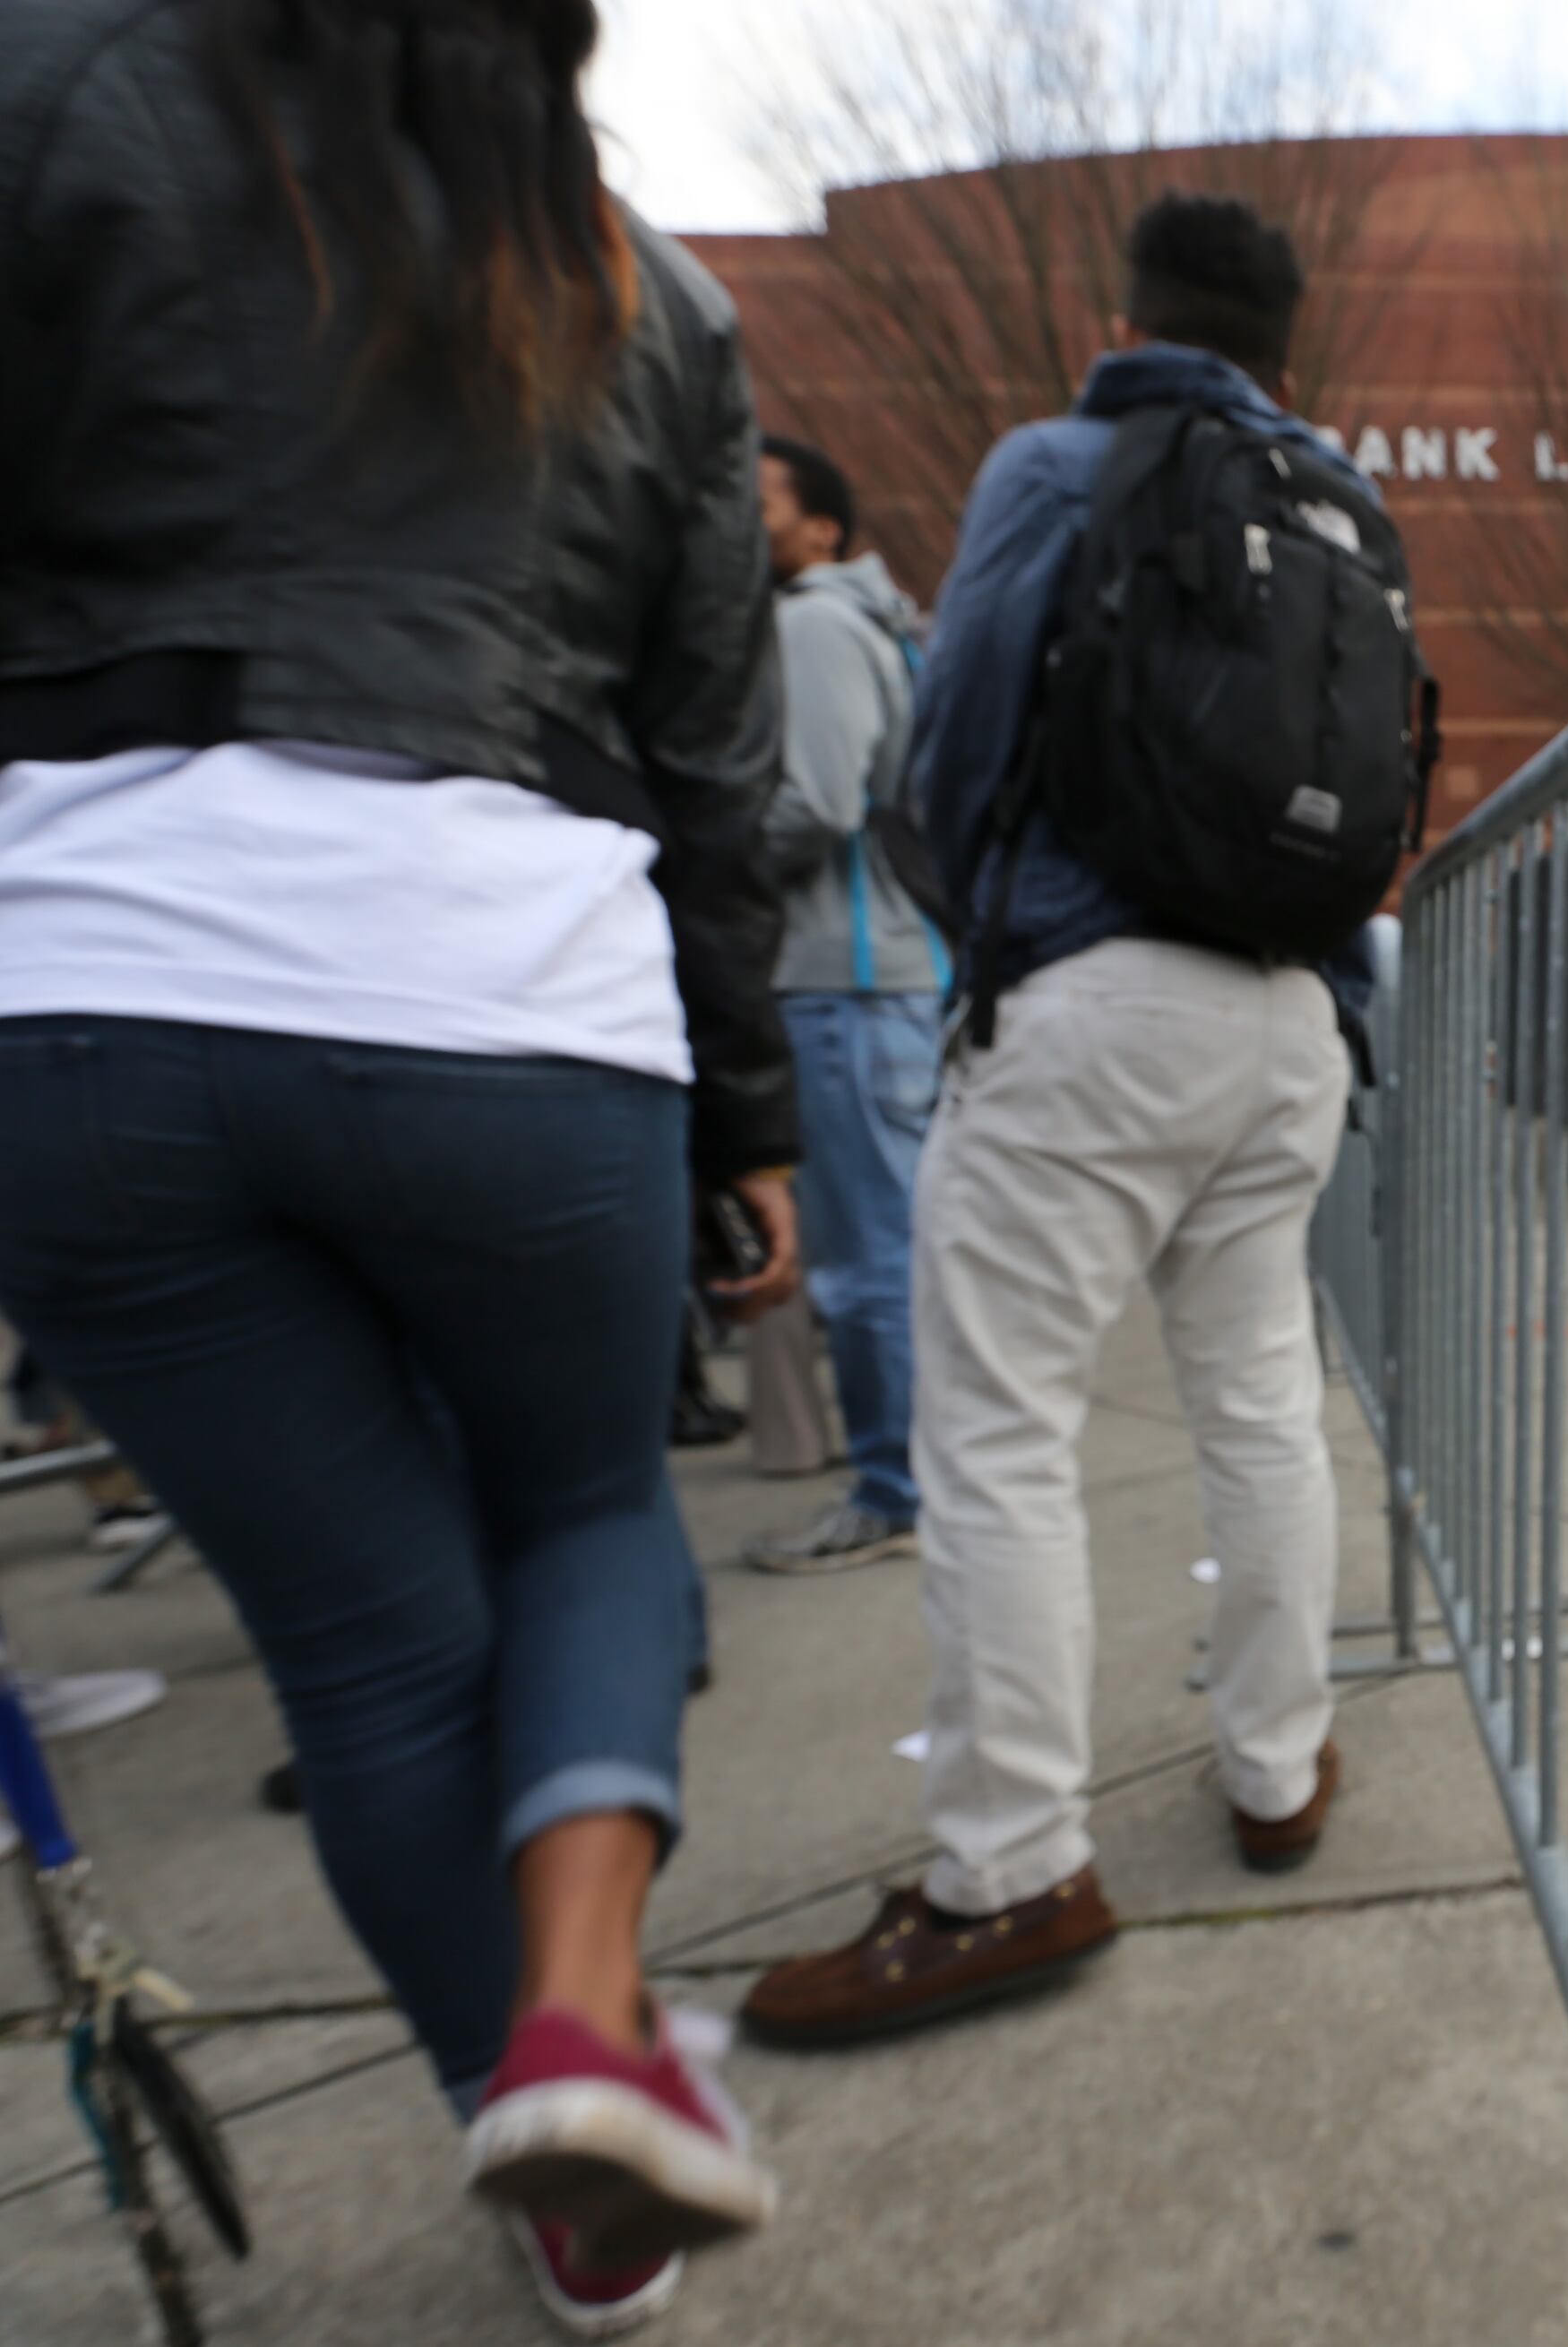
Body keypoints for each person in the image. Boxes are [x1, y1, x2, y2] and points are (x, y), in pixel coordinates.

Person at [0, 2, 794, 2330]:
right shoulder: (644, 290)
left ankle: (569, 2167)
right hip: (507, 989)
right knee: (585, 1513)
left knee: (361, 1655)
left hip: (83, 993)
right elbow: (711, 764)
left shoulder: (56, 96)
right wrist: (752, 1118)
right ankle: (583, 2023)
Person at [744, 193, 1365, 2046]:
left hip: (1096, 1001)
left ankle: (1009, 1866)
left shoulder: (1061, 460)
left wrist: (1000, 943)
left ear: (1132, 310)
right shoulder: (1339, 493)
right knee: (1263, 1399)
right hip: (1290, 1015)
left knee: (997, 1427)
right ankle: (1279, 1766)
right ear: (1285, 333)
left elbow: (953, 744)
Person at [739, 435, 940, 1575]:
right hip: (869, 982)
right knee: (888, 1253)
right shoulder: (863, 623)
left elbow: (815, 802)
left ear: (823, 527)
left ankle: (896, 1492)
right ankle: (909, 1482)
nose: (733, 511)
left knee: (869, 1263)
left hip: (849, 982)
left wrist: (693, 868)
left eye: (756, 496)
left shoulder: (814, 623)